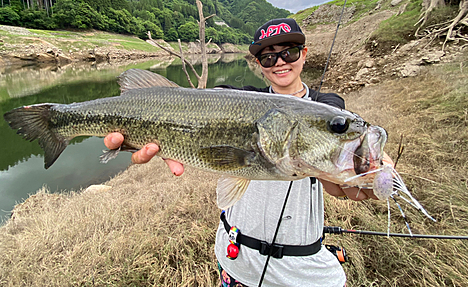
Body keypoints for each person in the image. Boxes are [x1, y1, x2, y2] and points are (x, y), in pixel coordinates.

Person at [104, 18, 392, 286]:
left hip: (303, 269)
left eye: (288, 53)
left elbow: (342, 137)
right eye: (268, 57)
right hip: (237, 260)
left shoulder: (326, 106)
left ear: (304, 54)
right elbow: (202, 102)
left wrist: (370, 166)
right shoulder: (238, 97)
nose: (279, 62)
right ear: (258, 64)